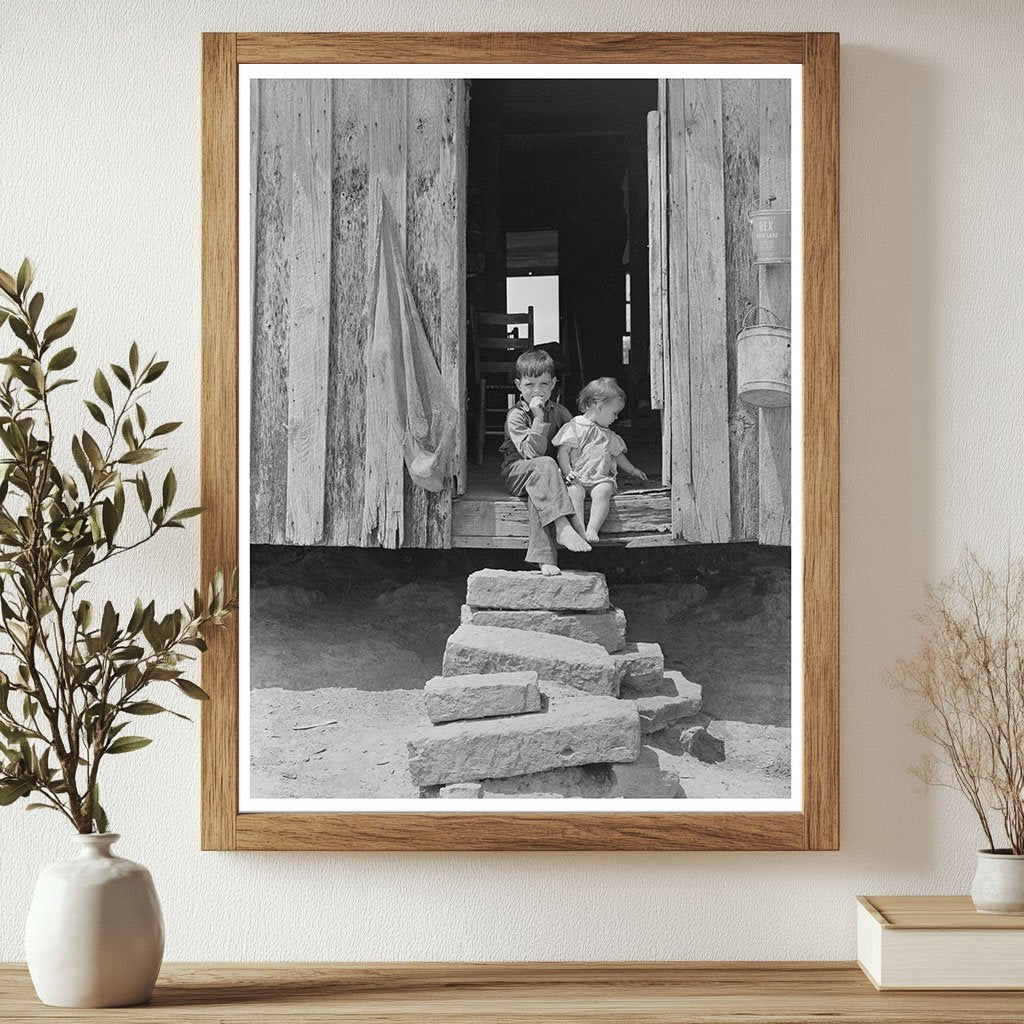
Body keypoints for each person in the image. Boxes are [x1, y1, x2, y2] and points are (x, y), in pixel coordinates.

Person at [500, 350, 591, 576]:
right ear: (519, 385)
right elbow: (531, 454)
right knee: (545, 464)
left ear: (553, 385)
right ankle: (563, 527)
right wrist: (538, 417)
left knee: (538, 495)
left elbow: (576, 441)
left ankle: (544, 558)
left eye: (543, 384)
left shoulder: (560, 412)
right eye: (530, 384)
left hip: (545, 476)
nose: (537, 391)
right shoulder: (516, 416)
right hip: (516, 472)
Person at [552, 377, 648, 543]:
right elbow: (563, 451)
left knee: (603, 491)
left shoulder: (608, 435)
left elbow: (618, 455)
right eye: (615, 413)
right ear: (600, 406)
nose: (616, 417)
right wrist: (568, 472)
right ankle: (579, 528)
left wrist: (632, 470)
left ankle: (593, 528)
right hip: (577, 477)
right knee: (574, 492)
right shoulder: (574, 426)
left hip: (599, 478)